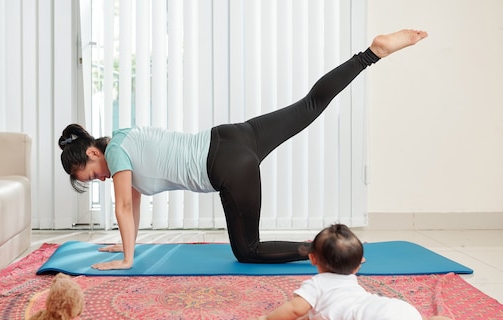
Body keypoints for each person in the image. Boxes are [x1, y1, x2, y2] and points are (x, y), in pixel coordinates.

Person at [58, 29, 428, 271]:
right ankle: (369, 55)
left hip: (225, 166)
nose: (100, 179)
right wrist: (127, 247)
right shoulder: (125, 140)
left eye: (92, 174)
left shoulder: (118, 155)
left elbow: (122, 206)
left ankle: (323, 250)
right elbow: (133, 207)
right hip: (235, 136)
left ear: (93, 154)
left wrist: (125, 261)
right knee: (310, 105)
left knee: (248, 250)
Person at [251, 224, 492, 320]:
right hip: (393, 308)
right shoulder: (350, 281)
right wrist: (311, 315)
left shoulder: (317, 284)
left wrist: (267, 319)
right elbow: (327, 306)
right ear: (359, 264)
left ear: (312, 258)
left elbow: (294, 307)